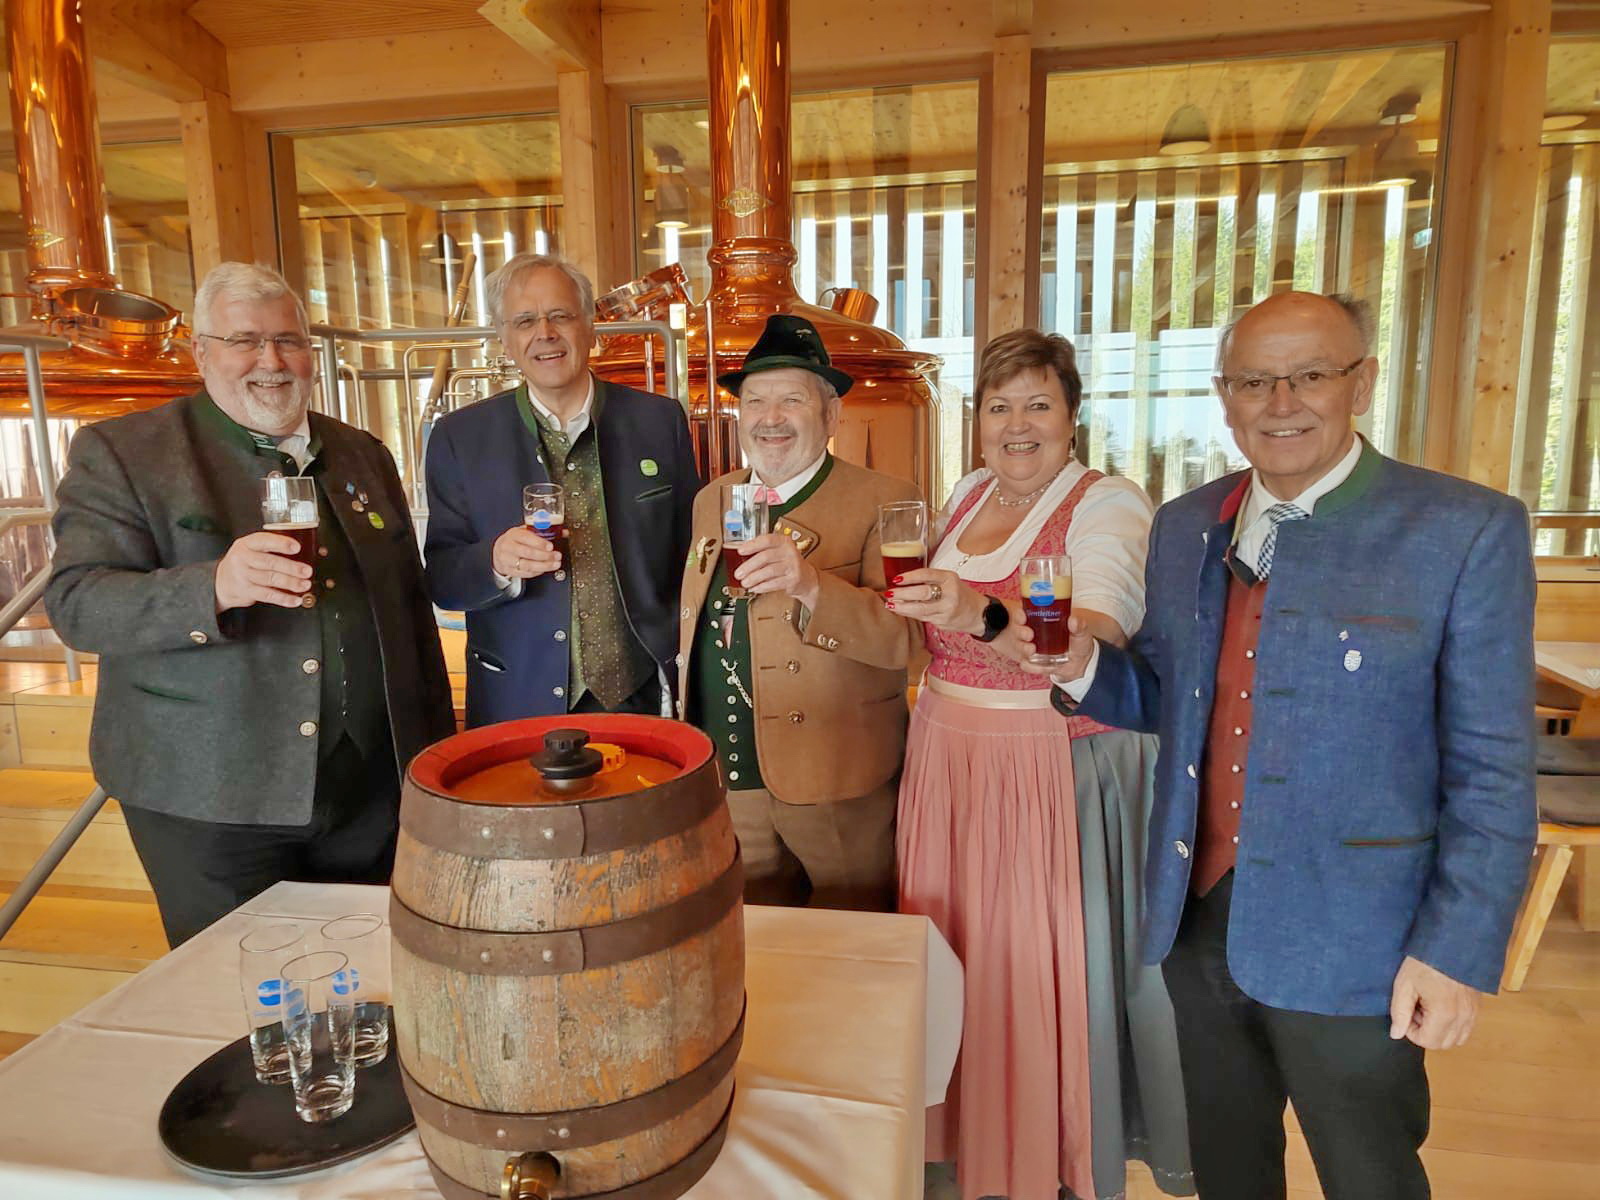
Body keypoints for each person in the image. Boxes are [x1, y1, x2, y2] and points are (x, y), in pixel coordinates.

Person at [1046, 291, 1537, 1200]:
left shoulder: (1463, 529)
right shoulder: (1186, 523)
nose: (1281, 403)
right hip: (1197, 919)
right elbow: (1170, 698)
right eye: (1253, 382)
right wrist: (1083, 666)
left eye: (1310, 375)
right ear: (1224, 397)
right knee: (1229, 1168)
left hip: (1361, 937)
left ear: (1363, 383)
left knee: (1369, 1174)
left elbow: (1494, 771)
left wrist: (1455, 951)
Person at [45, 262, 454, 947]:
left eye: (288, 340)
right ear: (201, 352)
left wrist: (428, 757)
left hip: (369, 790)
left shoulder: (361, 453)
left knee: (364, 975)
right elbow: (76, 602)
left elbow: (409, 614)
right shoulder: (126, 451)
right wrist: (213, 587)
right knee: (231, 989)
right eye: (244, 341)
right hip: (208, 798)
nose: (271, 360)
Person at [892, 329, 1192, 1200]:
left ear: (1072, 417)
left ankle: (1044, 1158)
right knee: (953, 952)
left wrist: (983, 614)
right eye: (999, 406)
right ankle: (961, 1146)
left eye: (1038, 405)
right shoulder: (966, 493)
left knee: (1031, 963)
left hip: (1044, 762)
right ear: (977, 420)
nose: (1017, 425)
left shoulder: (1107, 504)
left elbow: (1091, 633)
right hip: (946, 751)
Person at [679, 315, 918, 910]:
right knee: (758, 946)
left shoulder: (887, 500)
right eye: (754, 401)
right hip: (731, 776)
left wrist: (811, 585)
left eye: (791, 400)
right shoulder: (712, 498)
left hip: (837, 782)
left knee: (853, 942)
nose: (770, 418)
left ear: (831, 415)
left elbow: (907, 642)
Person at [423, 253, 699, 724]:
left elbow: (691, 554)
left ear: (590, 326)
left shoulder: (659, 421)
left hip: (642, 694)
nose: (545, 333)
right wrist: (494, 561)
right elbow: (443, 579)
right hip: (518, 698)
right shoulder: (459, 437)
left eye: (561, 315)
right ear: (504, 338)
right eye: (525, 321)